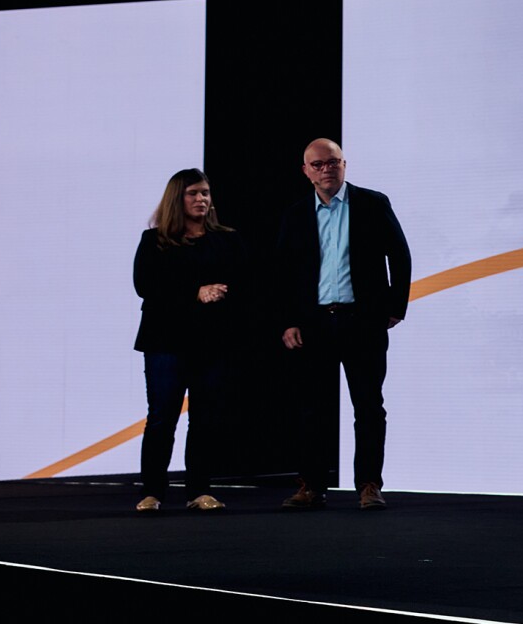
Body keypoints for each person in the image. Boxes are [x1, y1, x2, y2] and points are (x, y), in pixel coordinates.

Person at [276, 138, 411, 511]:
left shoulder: (372, 203)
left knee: (368, 406)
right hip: (314, 324)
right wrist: (287, 322)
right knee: (311, 409)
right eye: (317, 165)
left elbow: (399, 254)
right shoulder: (295, 214)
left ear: (344, 165)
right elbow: (283, 274)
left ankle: (369, 485)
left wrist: (396, 306)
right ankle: (312, 486)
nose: (325, 169)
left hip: (362, 321)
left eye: (332, 162)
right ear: (306, 171)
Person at [133, 168, 247, 512]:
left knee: (206, 418)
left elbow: (246, 283)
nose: (202, 199)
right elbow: (146, 287)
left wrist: (221, 293)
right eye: (194, 193)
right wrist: (194, 293)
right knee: (162, 417)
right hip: (165, 343)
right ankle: (152, 492)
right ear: (177, 198)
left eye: (206, 193)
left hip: (213, 342)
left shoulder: (227, 239)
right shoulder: (153, 241)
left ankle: (199, 490)